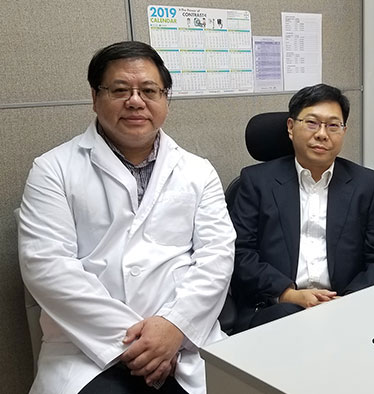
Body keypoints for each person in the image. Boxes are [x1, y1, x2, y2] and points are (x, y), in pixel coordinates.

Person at [17, 41, 235, 394]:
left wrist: (173, 327)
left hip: (185, 342)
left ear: (166, 98)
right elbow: (47, 267)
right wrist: (144, 345)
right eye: (120, 90)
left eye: (149, 90)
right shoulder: (52, 169)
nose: (136, 101)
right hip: (88, 348)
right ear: (94, 96)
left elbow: (217, 257)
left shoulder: (198, 171)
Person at [230, 83, 374, 331]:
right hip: (275, 306)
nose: (322, 134)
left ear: (344, 131)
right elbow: (240, 253)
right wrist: (289, 294)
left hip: (345, 306)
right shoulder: (257, 182)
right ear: (290, 127)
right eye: (312, 123)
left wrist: (349, 301)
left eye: (333, 125)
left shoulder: (366, 184)